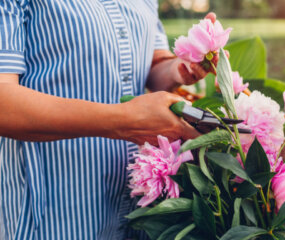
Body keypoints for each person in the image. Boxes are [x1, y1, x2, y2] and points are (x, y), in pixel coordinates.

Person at [0, 1, 215, 239]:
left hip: (136, 209)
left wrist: (178, 68)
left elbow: (151, 63)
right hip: (57, 213)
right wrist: (126, 121)